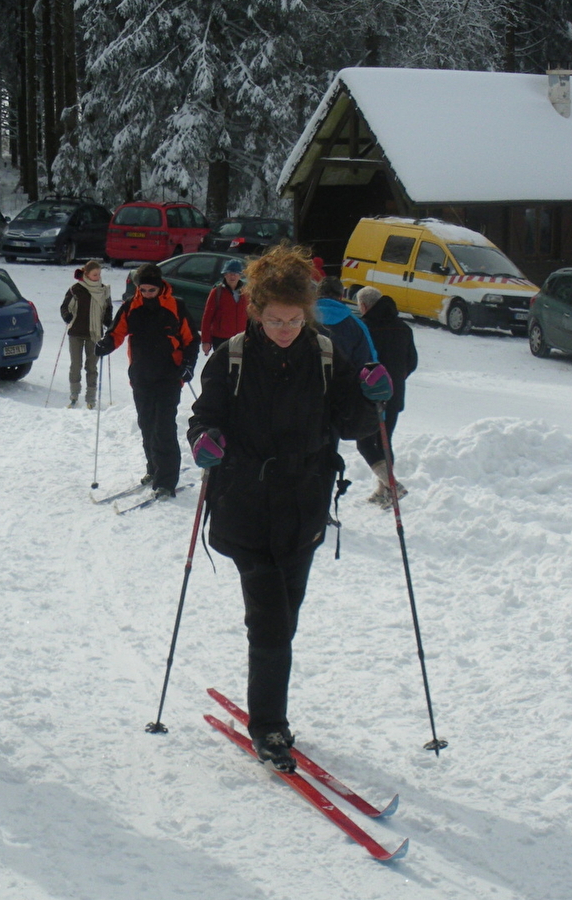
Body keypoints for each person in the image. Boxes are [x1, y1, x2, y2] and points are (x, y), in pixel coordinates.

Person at [187, 244, 387, 771]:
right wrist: (205, 440)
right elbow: (202, 416)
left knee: (285, 617)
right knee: (272, 621)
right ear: (255, 311)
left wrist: (371, 399)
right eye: (273, 319)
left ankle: (265, 694)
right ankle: (270, 726)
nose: (283, 329)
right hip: (245, 504)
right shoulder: (230, 356)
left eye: (293, 319)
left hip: (303, 507)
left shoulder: (324, 352)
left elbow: (349, 424)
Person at [96, 263, 196, 498]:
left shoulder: (175, 306)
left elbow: (191, 339)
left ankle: (166, 481)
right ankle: (154, 468)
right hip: (141, 375)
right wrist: (106, 345)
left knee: (164, 428)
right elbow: (116, 332)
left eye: (152, 290)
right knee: (147, 424)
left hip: (169, 376)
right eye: (144, 290)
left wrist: (188, 365)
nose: (147, 294)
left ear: (160, 286)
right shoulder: (132, 306)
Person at [354, 287, 417, 508]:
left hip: (369, 395)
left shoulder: (364, 328)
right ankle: (384, 491)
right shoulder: (404, 328)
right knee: (385, 440)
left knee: (364, 442)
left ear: (364, 306)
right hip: (395, 394)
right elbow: (412, 362)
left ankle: (391, 485)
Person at [60, 260, 112, 408]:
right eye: (95, 274)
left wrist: (108, 320)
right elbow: (65, 306)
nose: (98, 277)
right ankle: (74, 394)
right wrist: (66, 315)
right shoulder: (76, 289)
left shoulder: (103, 290)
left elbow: (108, 308)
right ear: (87, 274)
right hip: (76, 332)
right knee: (75, 365)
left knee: (91, 366)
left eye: (99, 274)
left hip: (94, 334)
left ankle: (91, 398)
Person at [313, 276, 376, 368]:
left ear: (317, 293)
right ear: (341, 296)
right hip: (344, 380)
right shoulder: (357, 326)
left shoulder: (300, 319)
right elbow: (369, 362)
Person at [200, 258, 248, 354]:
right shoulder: (217, 292)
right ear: (225, 275)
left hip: (240, 338)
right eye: (230, 273)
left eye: (236, 273)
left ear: (240, 276)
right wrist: (206, 341)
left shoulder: (246, 293)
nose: (232, 276)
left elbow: (251, 316)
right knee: (222, 366)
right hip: (221, 338)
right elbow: (207, 318)